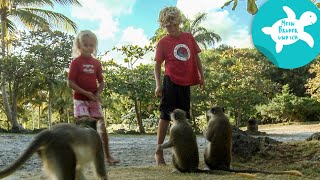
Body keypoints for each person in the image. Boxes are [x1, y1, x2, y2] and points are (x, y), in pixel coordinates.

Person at [154, 6, 205, 166]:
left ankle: (182, 153)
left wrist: (201, 76)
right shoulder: (163, 42)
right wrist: (158, 84)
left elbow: (196, 59)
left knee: (184, 117)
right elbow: (157, 65)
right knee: (165, 115)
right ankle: (159, 151)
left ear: (179, 22)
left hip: (186, 82)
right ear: (164, 25)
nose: (172, 29)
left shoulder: (189, 37)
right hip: (170, 81)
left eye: (175, 25)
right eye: (168, 26)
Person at [67, 30, 120, 165]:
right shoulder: (76, 62)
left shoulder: (96, 63)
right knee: (83, 128)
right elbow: (70, 82)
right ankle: (79, 158)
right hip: (80, 100)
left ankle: (107, 156)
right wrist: (85, 93)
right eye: (85, 45)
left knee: (101, 128)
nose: (89, 48)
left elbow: (101, 82)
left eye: (91, 45)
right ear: (79, 46)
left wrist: (96, 94)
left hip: (93, 100)